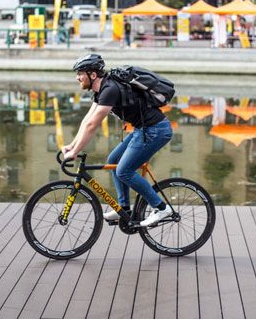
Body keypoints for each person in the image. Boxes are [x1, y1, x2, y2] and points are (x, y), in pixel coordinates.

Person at [62, 53, 174, 227]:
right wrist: (72, 145)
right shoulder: (101, 90)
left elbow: (93, 125)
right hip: (143, 130)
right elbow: (87, 120)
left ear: (93, 75)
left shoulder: (110, 90)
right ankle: (124, 208)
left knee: (124, 171)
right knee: (113, 161)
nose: (77, 77)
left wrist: (75, 153)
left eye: (80, 73)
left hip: (156, 131)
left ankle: (160, 208)